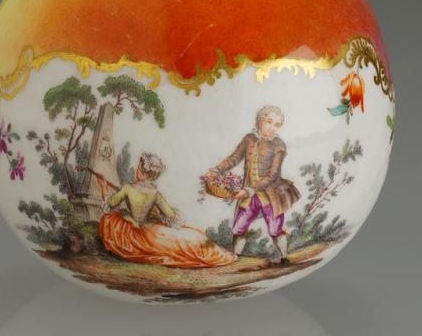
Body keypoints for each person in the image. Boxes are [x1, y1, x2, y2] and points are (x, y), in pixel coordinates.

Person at [99, 152, 237, 268]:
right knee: (190, 237)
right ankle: (214, 251)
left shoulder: (128, 188)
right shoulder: (155, 193)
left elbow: (111, 203)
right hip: (147, 229)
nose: (136, 170)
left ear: (144, 173)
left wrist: (104, 188)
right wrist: (158, 215)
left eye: (139, 168)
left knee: (109, 220)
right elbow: (171, 214)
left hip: (133, 232)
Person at [207, 105, 301, 264]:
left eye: (277, 124)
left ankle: (284, 257)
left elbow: (273, 175)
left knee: (275, 228)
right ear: (260, 120)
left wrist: (249, 190)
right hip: (250, 197)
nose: (272, 127)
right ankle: (235, 258)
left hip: (270, 195)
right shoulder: (249, 139)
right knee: (238, 227)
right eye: (269, 122)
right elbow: (234, 158)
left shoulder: (278, 145)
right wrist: (217, 170)